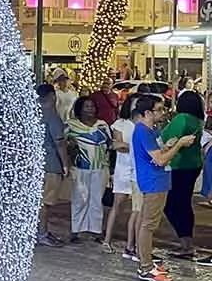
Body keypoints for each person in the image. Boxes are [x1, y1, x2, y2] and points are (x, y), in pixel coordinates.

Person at [131, 94, 196, 281]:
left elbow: (157, 154)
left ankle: (146, 261)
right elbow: (160, 160)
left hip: (159, 180)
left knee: (148, 223)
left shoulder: (152, 130)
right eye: (159, 109)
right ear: (148, 112)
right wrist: (179, 145)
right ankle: (145, 266)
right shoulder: (143, 131)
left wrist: (169, 145)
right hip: (153, 182)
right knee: (148, 224)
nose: (162, 112)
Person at [159, 90, 205, 259]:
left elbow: (168, 140)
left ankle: (185, 243)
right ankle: (186, 243)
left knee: (171, 204)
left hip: (178, 165)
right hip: (193, 165)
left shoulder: (182, 118)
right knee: (184, 203)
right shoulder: (197, 120)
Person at [66, 96, 112, 242]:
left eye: (92, 106)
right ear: (79, 109)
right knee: (80, 198)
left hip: (100, 167)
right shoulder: (71, 125)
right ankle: (76, 230)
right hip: (80, 167)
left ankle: (96, 230)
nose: (90, 109)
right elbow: (63, 144)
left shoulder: (102, 125)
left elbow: (110, 145)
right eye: (86, 106)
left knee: (96, 199)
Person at [105, 95, 140, 258]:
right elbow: (117, 145)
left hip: (138, 169)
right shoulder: (121, 123)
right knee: (118, 205)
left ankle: (131, 244)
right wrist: (134, 147)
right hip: (123, 168)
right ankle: (107, 240)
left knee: (137, 209)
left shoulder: (144, 123)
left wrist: (128, 146)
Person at [35, 84, 68, 247]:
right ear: (53, 96)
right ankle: (42, 233)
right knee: (45, 202)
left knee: (38, 200)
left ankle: (39, 232)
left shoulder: (32, 114)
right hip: (50, 163)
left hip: (34, 163)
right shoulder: (51, 115)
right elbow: (59, 142)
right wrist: (65, 164)